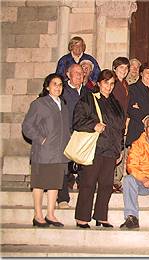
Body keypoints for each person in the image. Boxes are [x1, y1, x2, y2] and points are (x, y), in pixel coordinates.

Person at [73, 69, 125, 228]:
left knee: (106, 185)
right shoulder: (88, 99)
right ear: (98, 83)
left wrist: (119, 149)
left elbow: (119, 128)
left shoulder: (115, 102)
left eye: (112, 84)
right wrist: (93, 125)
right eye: (106, 83)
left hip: (110, 149)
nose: (109, 87)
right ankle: (82, 217)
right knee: (88, 182)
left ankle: (101, 216)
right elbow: (77, 121)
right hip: (94, 148)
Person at [22, 73, 70, 228]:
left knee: (54, 184)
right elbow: (27, 126)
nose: (58, 87)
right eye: (54, 84)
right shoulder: (39, 104)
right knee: (40, 184)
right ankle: (38, 215)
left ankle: (50, 214)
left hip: (59, 153)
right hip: (43, 153)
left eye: (60, 84)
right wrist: (41, 139)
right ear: (47, 86)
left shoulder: (63, 105)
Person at [58, 64, 90, 208]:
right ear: (68, 74)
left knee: (85, 169)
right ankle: (63, 198)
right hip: (65, 134)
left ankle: (84, 201)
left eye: (82, 73)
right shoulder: (61, 90)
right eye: (76, 73)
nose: (79, 75)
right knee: (64, 168)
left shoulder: (88, 92)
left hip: (83, 136)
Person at [111, 57, 130, 193]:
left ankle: (116, 181)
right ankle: (109, 181)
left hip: (121, 124)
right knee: (112, 153)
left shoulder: (125, 84)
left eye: (126, 68)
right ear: (114, 69)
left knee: (120, 153)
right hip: (112, 124)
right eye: (121, 67)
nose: (124, 70)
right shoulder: (113, 83)